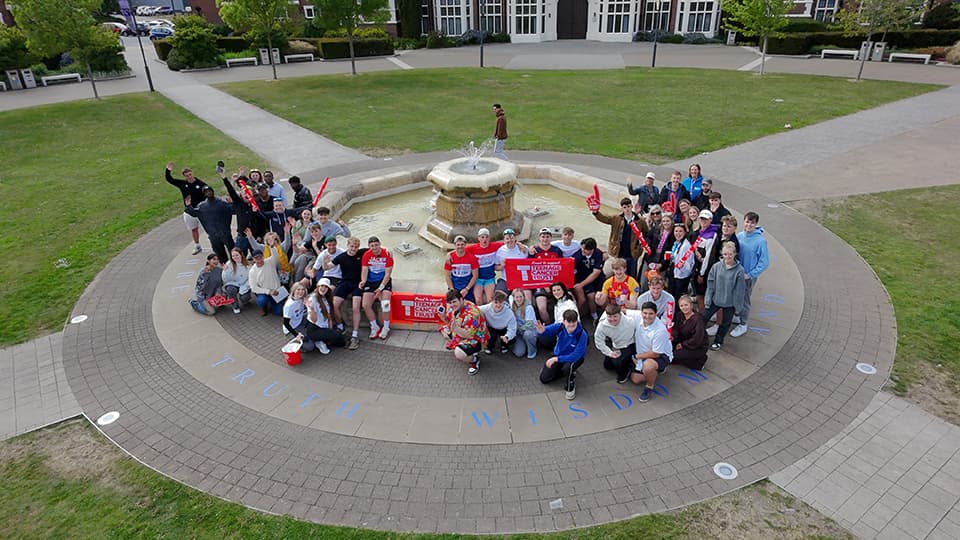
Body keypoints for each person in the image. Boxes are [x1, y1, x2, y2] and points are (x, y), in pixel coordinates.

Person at [535, 309, 587, 400]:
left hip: (574, 358)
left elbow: (576, 355)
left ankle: (570, 384)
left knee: (568, 368)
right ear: (563, 322)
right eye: (568, 322)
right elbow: (547, 330)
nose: (571, 325)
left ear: (577, 321)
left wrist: (556, 359)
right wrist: (542, 332)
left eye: (574, 322)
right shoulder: (559, 327)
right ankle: (563, 372)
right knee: (544, 379)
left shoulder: (582, 335)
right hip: (559, 355)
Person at [703, 242, 746, 351]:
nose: (728, 257)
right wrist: (708, 299)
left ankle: (718, 341)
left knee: (725, 324)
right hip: (715, 299)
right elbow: (711, 283)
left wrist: (738, 307)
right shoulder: (716, 266)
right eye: (725, 254)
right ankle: (699, 338)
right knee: (703, 318)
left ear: (735, 254)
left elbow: (739, 290)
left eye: (730, 254)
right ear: (722, 253)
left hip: (730, 303)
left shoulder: (739, 270)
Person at [733, 212, 769, 338]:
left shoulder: (760, 241)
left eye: (752, 223)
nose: (749, 225)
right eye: (747, 221)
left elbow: (764, 262)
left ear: (756, 224)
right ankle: (737, 316)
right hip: (736, 274)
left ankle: (743, 324)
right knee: (736, 296)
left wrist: (751, 274)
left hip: (748, 276)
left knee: (745, 299)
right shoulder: (739, 236)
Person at [592, 197, 646, 279]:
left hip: (632, 253)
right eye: (624, 207)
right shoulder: (616, 218)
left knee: (632, 276)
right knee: (618, 275)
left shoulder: (640, 221)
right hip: (618, 252)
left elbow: (647, 234)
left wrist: (641, 246)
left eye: (628, 206)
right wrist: (596, 212)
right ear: (621, 208)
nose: (627, 209)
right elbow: (604, 218)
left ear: (632, 206)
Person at [630, 301, 673, 402]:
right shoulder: (638, 316)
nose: (647, 316)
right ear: (641, 313)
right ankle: (654, 372)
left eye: (651, 314)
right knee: (635, 379)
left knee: (648, 367)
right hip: (644, 352)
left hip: (661, 355)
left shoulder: (660, 330)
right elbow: (622, 311)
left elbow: (656, 353)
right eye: (645, 313)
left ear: (656, 313)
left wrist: (637, 357)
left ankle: (649, 386)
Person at [328, 237, 366, 350]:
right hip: (345, 283)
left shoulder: (361, 253)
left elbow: (375, 248)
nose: (354, 249)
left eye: (356, 247)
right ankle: (340, 326)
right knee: (334, 304)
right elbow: (329, 266)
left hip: (358, 284)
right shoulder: (342, 257)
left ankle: (354, 335)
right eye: (352, 246)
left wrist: (386, 250)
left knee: (355, 308)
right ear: (347, 246)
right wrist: (325, 263)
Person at [440, 289, 489, 375]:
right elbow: (449, 321)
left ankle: (474, 359)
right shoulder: (455, 307)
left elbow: (470, 336)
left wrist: (455, 329)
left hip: (476, 339)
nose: (452, 305)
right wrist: (443, 316)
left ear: (461, 299)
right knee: (444, 331)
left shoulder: (472, 314)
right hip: (462, 331)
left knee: (459, 354)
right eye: (450, 303)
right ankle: (457, 344)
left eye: (454, 302)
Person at [165, 162, 209, 255]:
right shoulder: (182, 184)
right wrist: (168, 170)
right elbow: (170, 179)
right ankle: (197, 245)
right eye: (187, 175)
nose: (189, 176)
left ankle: (215, 244)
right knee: (194, 229)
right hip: (189, 211)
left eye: (190, 174)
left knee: (208, 228)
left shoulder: (200, 184)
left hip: (201, 210)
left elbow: (208, 193)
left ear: (192, 173)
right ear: (184, 176)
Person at [706, 215, 741, 333]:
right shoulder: (720, 236)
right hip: (716, 270)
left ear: (734, 228)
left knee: (721, 300)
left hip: (724, 274)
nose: (725, 228)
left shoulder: (732, 243)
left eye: (729, 226)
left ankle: (718, 325)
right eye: (724, 226)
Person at [183, 185, 235, 264]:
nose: (209, 193)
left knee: (233, 253)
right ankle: (225, 269)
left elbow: (233, 210)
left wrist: (231, 203)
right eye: (206, 192)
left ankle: (236, 266)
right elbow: (193, 213)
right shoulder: (202, 206)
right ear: (204, 194)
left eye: (210, 191)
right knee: (221, 256)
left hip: (225, 233)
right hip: (213, 236)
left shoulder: (222, 203)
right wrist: (188, 206)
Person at [359, 236, 394, 340]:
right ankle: (374, 326)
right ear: (369, 246)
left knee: (385, 304)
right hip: (371, 281)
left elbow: (388, 274)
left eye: (376, 245)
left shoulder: (387, 254)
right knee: (365, 305)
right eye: (372, 245)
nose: (374, 247)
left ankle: (386, 327)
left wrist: (380, 288)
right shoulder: (366, 255)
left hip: (384, 281)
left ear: (380, 244)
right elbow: (364, 270)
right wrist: (363, 281)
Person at [221, 174, 263, 257]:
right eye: (244, 193)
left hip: (254, 237)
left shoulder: (256, 204)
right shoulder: (238, 203)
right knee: (238, 257)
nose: (246, 195)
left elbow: (262, 221)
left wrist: (260, 235)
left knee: (258, 257)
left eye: (248, 193)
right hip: (242, 237)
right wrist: (225, 178)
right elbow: (231, 191)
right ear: (241, 195)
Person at [594, 303, 638, 384]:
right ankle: (626, 361)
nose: (612, 319)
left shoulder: (630, 322)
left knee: (619, 364)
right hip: (616, 344)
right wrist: (609, 352)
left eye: (615, 316)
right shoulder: (602, 325)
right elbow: (599, 341)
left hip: (630, 344)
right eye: (609, 316)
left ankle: (627, 368)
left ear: (620, 314)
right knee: (607, 366)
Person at [528, 228, 564, 321]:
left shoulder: (557, 250)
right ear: (539, 238)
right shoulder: (533, 251)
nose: (545, 239)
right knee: (542, 308)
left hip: (555, 282)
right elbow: (529, 269)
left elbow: (562, 267)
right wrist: (545, 285)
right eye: (543, 236)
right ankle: (549, 327)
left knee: (569, 301)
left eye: (547, 236)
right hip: (540, 283)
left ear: (551, 238)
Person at [304, 278, 346, 353]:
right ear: (318, 287)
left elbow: (329, 317)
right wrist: (311, 308)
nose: (323, 289)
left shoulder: (326, 297)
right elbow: (314, 320)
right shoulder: (313, 299)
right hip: (315, 328)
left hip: (324, 326)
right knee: (339, 338)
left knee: (339, 339)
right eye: (321, 286)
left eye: (326, 287)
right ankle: (319, 341)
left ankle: (324, 339)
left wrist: (330, 329)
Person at [571, 237, 604, 323]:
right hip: (583, 278)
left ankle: (604, 314)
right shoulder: (576, 257)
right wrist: (580, 284)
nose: (583, 251)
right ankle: (594, 316)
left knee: (603, 295)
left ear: (592, 250)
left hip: (597, 277)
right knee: (591, 295)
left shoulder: (598, 253)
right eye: (582, 248)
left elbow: (596, 273)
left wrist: (581, 285)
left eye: (585, 249)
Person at [466, 228, 503, 306]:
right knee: (478, 300)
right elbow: (460, 250)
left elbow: (508, 243)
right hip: (478, 279)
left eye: (486, 237)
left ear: (489, 238)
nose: (484, 239)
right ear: (478, 238)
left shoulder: (494, 246)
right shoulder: (473, 248)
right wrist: (449, 255)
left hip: (489, 278)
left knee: (490, 299)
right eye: (482, 237)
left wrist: (520, 245)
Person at [692, 209, 719, 312]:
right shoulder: (700, 232)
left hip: (703, 270)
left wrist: (702, 274)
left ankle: (702, 316)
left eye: (706, 219)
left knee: (701, 295)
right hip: (696, 267)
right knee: (699, 294)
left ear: (710, 220)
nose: (703, 221)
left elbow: (708, 257)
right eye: (701, 219)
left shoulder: (711, 235)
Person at [672, 295, 708, 370]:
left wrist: (683, 345)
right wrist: (673, 336)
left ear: (691, 305)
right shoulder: (679, 315)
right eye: (681, 305)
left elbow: (697, 339)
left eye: (686, 305)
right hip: (683, 340)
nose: (684, 307)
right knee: (666, 351)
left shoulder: (698, 319)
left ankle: (699, 361)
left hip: (696, 346)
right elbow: (676, 329)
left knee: (673, 357)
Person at [283, 282, 317, 353]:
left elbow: (313, 288)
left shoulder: (302, 298)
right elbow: (286, 323)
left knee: (315, 317)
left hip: (300, 320)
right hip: (293, 327)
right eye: (298, 290)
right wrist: (296, 334)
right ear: (294, 290)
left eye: (303, 290)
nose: (301, 292)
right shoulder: (289, 305)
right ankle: (294, 341)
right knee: (310, 346)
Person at [480, 290, 517, 355]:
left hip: (503, 329)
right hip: (491, 328)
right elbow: (475, 309)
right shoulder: (486, 308)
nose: (498, 305)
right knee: (491, 336)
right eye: (496, 302)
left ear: (504, 302)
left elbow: (512, 328)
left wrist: (507, 336)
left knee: (512, 339)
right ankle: (489, 346)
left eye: (501, 302)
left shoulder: (509, 312)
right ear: (492, 301)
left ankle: (504, 345)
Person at [249, 250, 284, 316]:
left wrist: (272, 246)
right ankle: (263, 307)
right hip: (264, 293)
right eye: (256, 258)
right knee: (261, 300)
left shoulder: (270, 261)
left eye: (260, 257)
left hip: (276, 291)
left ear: (263, 256)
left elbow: (275, 256)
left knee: (279, 312)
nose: (259, 260)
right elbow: (253, 288)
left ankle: (272, 303)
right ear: (253, 259)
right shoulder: (252, 271)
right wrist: (268, 291)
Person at [494, 227, 528, 293]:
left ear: (515, 238)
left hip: (521, 279)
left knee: (523, 294)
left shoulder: (523, 248)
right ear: (504, 240)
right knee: (498, 295)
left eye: (512, 238)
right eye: (507, 238)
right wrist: (502, 266)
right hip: (506, 279)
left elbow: (531, 261)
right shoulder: (500, 251)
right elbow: (495, 267)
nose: (510, 240)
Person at [445, 235, 479, 300]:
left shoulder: (472, 258)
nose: (460, 246)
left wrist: (467, 289)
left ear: (465, 245)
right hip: (454, 287)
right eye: (458, 245)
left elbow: (475, 276)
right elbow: (447, 276)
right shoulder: (450, 258)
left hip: (468, 288)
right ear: (454, 245)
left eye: (462, 244)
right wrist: (452, 289)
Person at [668, 223, 695, 302]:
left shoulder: (686, 245)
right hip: (674, 273)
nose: (678, 233)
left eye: (680, 231)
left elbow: (689, 263)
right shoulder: (677, 243)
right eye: (676, 231)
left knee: (678, 298)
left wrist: (682, 267)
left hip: (681, 276)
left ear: (684, 233)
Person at [510, 288, 538, 359]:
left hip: (530, 331)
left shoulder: (528, 307)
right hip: (519, 334)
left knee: (527, 334)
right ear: (513, 298)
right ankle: (524, 345)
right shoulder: (512, 307)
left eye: (521, 297)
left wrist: (517, 329)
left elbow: (530, 324)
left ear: (524, 297)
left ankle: (532, 350)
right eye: (517, 297)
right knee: (518, 353)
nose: (519, 299)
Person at [221, 248, 252, 314]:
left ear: (241, 255)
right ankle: (235, 306)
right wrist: (225, 271)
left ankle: (245, 300)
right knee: (230, 289)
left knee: (244, 298)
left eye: (237, 255)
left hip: (244, 284)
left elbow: (250, 279)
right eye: (233, 256)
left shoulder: (248, 264)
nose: (235, 257)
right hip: (233, 284)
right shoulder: (229, 264)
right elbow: (225, 280)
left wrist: (243, 289)